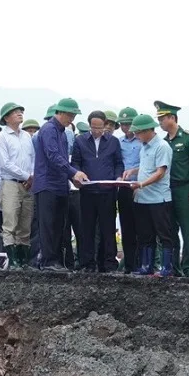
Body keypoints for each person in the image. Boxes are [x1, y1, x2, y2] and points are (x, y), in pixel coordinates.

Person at [33, 97, 88, 271]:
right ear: (61, 112)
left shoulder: (63, 133)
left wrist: (73, 179)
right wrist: (74, 173)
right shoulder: (48, 129)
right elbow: (53, 156)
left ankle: (55, 260)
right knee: (48, 224)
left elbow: (63, 159)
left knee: (59, 225)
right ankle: (48, 260)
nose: (72, 119)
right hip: (47, 184)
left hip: (60, 185)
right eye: (70, 115)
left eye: (74, 115)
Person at [70, 110, 124, 272]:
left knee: (108, 228)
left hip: (108, 191)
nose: (97, 131)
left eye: (100, 127)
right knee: (87, 228)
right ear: (89, 125)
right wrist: (77, 176)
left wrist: (118, 177)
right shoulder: (80, 141)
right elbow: (75, 163)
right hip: (87, 191)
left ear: (105, 125)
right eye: (94, 127)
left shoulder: (113, 141)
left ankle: (108, 262)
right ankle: (87, 263)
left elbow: (118, 163)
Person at [155, 101, 189, 277]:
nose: (159, 122)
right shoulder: (162, 142)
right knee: (169, 231)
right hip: (167, 190)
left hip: (185, 188)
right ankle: (173, 267)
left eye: (162, 118)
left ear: (172, 118)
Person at [123, 114, 173, 277]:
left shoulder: (162, 146)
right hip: (142, 198)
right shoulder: (144, 146)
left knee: (164, 234)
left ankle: (166, 267)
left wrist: (142, 184)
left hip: (159, 198)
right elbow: (147, 167)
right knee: (145, 234)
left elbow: (160, 172)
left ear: (147, 131)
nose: (136, 136)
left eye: (138, 133)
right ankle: (146, 265)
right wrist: (134, 171)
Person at [0, 102, 35, 268]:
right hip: (10, 183)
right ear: (6, 118)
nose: (20, 114)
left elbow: (33, 158)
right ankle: (12, 260)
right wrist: (27, 176)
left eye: (20, 111)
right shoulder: (1, 138)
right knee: (10, 223)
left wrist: (32, 176)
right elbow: (5, 164)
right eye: (15, 112)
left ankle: (23, 260)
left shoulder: (27, 136)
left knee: (25, 224)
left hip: (28, 184)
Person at [116, 107, 141, 273]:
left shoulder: (143, 142)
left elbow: (149, 165)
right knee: (126, 227)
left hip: (140, 188)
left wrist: (134, 172)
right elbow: (116, 162)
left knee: (141, 227)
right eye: (123, 124)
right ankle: (129, 264)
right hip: (123, 188)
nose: (125, 127)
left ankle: (142, 263)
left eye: (128, 124)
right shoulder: (118, 142)